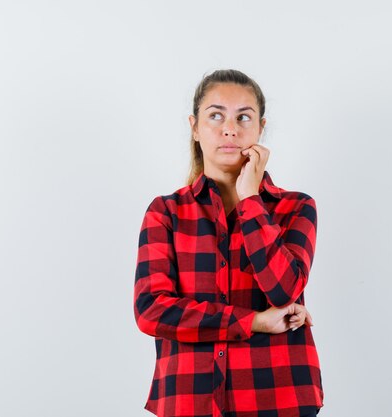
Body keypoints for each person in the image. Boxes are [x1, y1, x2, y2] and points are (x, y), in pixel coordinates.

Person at [133, 69, 324, 417]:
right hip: (188, 400)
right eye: (216, 115)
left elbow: (283, 290)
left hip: (278, 397)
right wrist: (254, 322)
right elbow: (151, 310)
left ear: (260, 128)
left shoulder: (296, 207)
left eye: (244, 117)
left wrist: (250, 198)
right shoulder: (166, 213)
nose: (230, 129)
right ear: (194, 127)